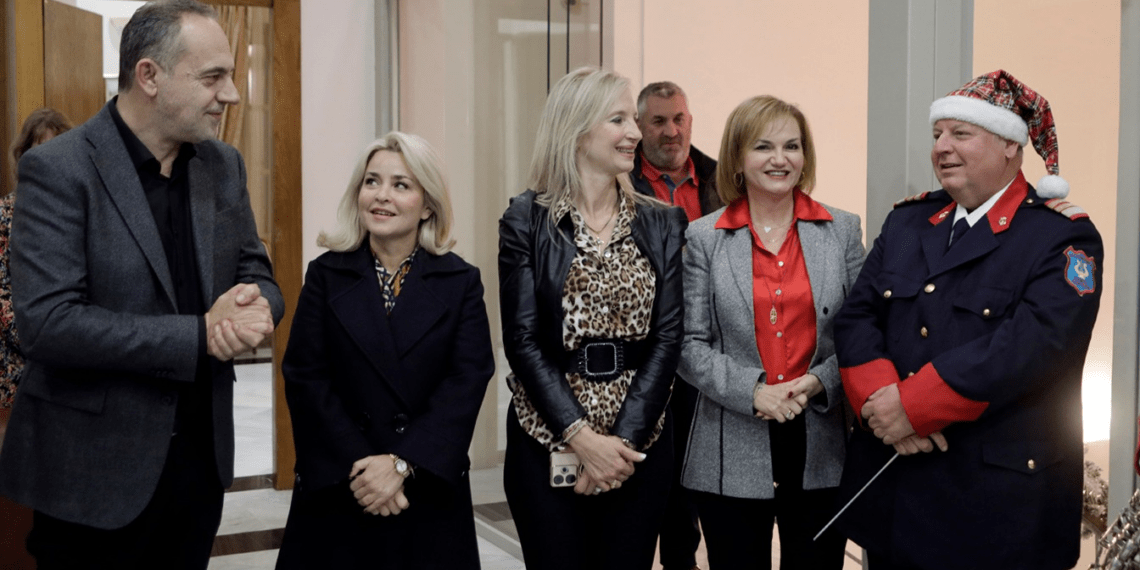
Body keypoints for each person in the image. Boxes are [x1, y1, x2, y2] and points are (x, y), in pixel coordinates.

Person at [0, 1, 284, 568]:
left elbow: (256, 271)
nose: (231, 95)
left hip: (199, 467)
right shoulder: (58, 169)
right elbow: (48, 324)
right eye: (213, 77)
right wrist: (199, 335)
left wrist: (258, 308)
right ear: (149, 75)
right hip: (93, 478)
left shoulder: (223, 165)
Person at [834, 70, 1102, 570]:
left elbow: (1034, 345)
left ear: (1010, 146)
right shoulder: (909, 221)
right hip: (896, 492)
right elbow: (857, 318)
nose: (941, 147)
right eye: (937, 134)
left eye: (960, 133)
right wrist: (880, 402)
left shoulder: (1061, 236)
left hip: (996, 509)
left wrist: (912, 407)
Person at [276, 132, 494, 569]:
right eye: (371, 181)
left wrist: (400, 464)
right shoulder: (325, 275)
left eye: (401, 185)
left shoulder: (460, 281)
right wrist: (364, 467)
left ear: (427, 204)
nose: (381, 195)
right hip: (344, 482)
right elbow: (305, 376)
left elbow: (466, 381)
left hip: (424, 483)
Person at [499, 66, 688, 570]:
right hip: (545, 437)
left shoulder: (663, 221)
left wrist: (619, 445)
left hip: (640, 443)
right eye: (618, 119)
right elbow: (522, 340)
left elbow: (668, 339)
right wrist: (580, 438)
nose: (635, 133)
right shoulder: (526, 219)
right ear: (577, 130)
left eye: (633, 120)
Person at [677, 95, 863, 569]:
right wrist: (754, 391)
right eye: (763, 147)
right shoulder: (703, 237)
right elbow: (687, 344)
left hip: (822, 436)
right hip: (731, 439)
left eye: (792, 146)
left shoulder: (842, 230)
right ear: (737, 158)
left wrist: (820, 380)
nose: (780, 159)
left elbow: (864, 334)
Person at [631, 81, 719, 570]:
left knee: (692, 467)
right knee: (653, 471)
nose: (671, 131)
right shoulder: (621, 182)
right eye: (659, 121)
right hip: (646, 350)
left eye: (679, 119)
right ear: (640, 126)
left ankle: (682, 559)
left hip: (706, 346)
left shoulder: (720, 178)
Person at [0, 108, 73, 411]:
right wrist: (39, 340)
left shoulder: (78, 213)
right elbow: (2, 293)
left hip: (72, 354)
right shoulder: (5, 214)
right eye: (39, 151)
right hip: (17, 358)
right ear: (24, 157)